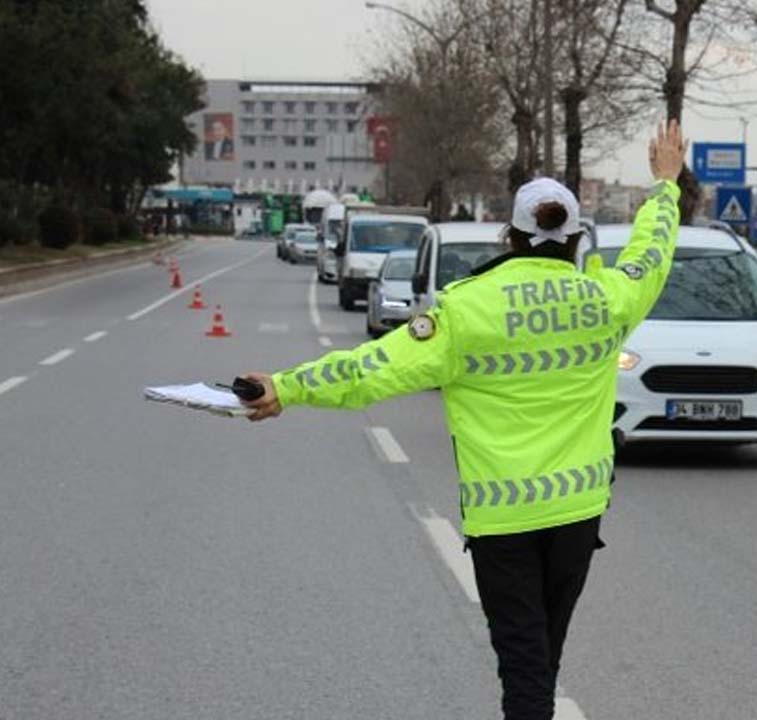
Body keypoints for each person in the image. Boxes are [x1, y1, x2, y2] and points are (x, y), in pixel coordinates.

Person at [239, 120, 688, 720]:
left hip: (504, 521)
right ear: (577, 238)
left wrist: (286, 388)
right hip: (578, 514)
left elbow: (371, 368)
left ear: (509, 236)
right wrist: (665, 186)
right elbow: (651, 256)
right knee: (542, 661)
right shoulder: (605, 300)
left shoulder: (465, 310)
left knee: (525, 669)